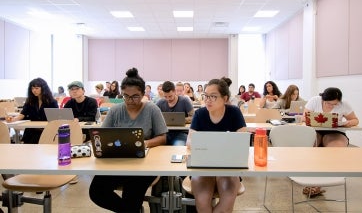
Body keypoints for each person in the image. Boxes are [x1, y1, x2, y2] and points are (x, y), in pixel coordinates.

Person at [89, 68, 167, 212]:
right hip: (118, 161)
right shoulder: (115, 111)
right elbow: (102, 134)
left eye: (135, 96)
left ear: (143, 94)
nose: (130, 101)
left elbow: (162, 137)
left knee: (131, 196)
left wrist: (146, 143)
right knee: (96, 192)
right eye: (126, 96)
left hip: (144, 165)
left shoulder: (152, 109)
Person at [186, 78, 247, 213]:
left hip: (229, 166)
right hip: (203, 165)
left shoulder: (234, 112)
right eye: (206, 96)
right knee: (202, 204)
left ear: (225, 98)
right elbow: (189, 141)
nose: (208, 100)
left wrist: (209, 144)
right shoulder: (200, 113)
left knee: (225, 207)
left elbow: (243, 140)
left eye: (213, 96)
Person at [6, 78, 58, 144]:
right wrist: (14, 119)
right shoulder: (30, 101)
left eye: (37, 88)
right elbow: (23, 114)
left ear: (43, 88)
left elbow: (55, 119)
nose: (34, 90)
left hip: (46, 130)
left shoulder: (52, 102)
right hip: (31, 130)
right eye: (32, 88)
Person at [156, 81, 194, 145]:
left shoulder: (184, 101)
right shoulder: (160, 102)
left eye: (170, 96)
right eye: (165, 96)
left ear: (174, 91)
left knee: (179, 147)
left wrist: (182, 120)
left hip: (181, 133)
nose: (168, 99)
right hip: (164, 134)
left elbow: (194, 117)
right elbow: (153, 117)